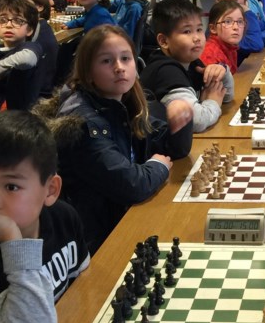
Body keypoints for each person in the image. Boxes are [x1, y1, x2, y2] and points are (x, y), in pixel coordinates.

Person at [39, 24, 192, 254]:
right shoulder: (83, 123)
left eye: (125, 58)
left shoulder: (122, 102)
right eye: (106, 61)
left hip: (121, 218)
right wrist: (158, 165)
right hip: (95, 241)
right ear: (87, 72)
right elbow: (131, 184)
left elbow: (171, 148)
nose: (119, 67)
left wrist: (181, 119)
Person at [0, 110, 90, 323]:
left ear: (50, 190)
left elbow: (83, 285)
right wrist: (10, 236)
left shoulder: (63, 217)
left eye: (11, 187)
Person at [140, 0, 234, 134]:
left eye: (199, 29)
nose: (197, 38)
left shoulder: (192, 62)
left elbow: (226, 97)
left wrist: (222, 72)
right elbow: (196, 121)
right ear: (164, 41)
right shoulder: (166, 71)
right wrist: (212, 101)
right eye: (187, 31)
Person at [0, 0, 42, 112]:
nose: (8, 25)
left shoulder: (30, 47)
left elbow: (27, 59)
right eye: (3, 20)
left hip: (18, 116)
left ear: (29, 30)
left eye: (18, 21)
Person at [12, 0, 59, 98]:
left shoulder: (39, 33)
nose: (16, 6)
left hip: (38, 97)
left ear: (40, 6)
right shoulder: (40, 26)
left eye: (23, 1)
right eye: (15, 1)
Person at [211, 0, 264, 65]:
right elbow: (256, 44)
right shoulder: (218, 25)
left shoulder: (242, 17)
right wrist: (247, 11)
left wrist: (261, 37)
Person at [200, 0, 245, 74]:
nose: (236, 27)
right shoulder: (210, 54)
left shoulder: (231, 47)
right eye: (228, 22)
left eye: (240, 21)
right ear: (213, 28)